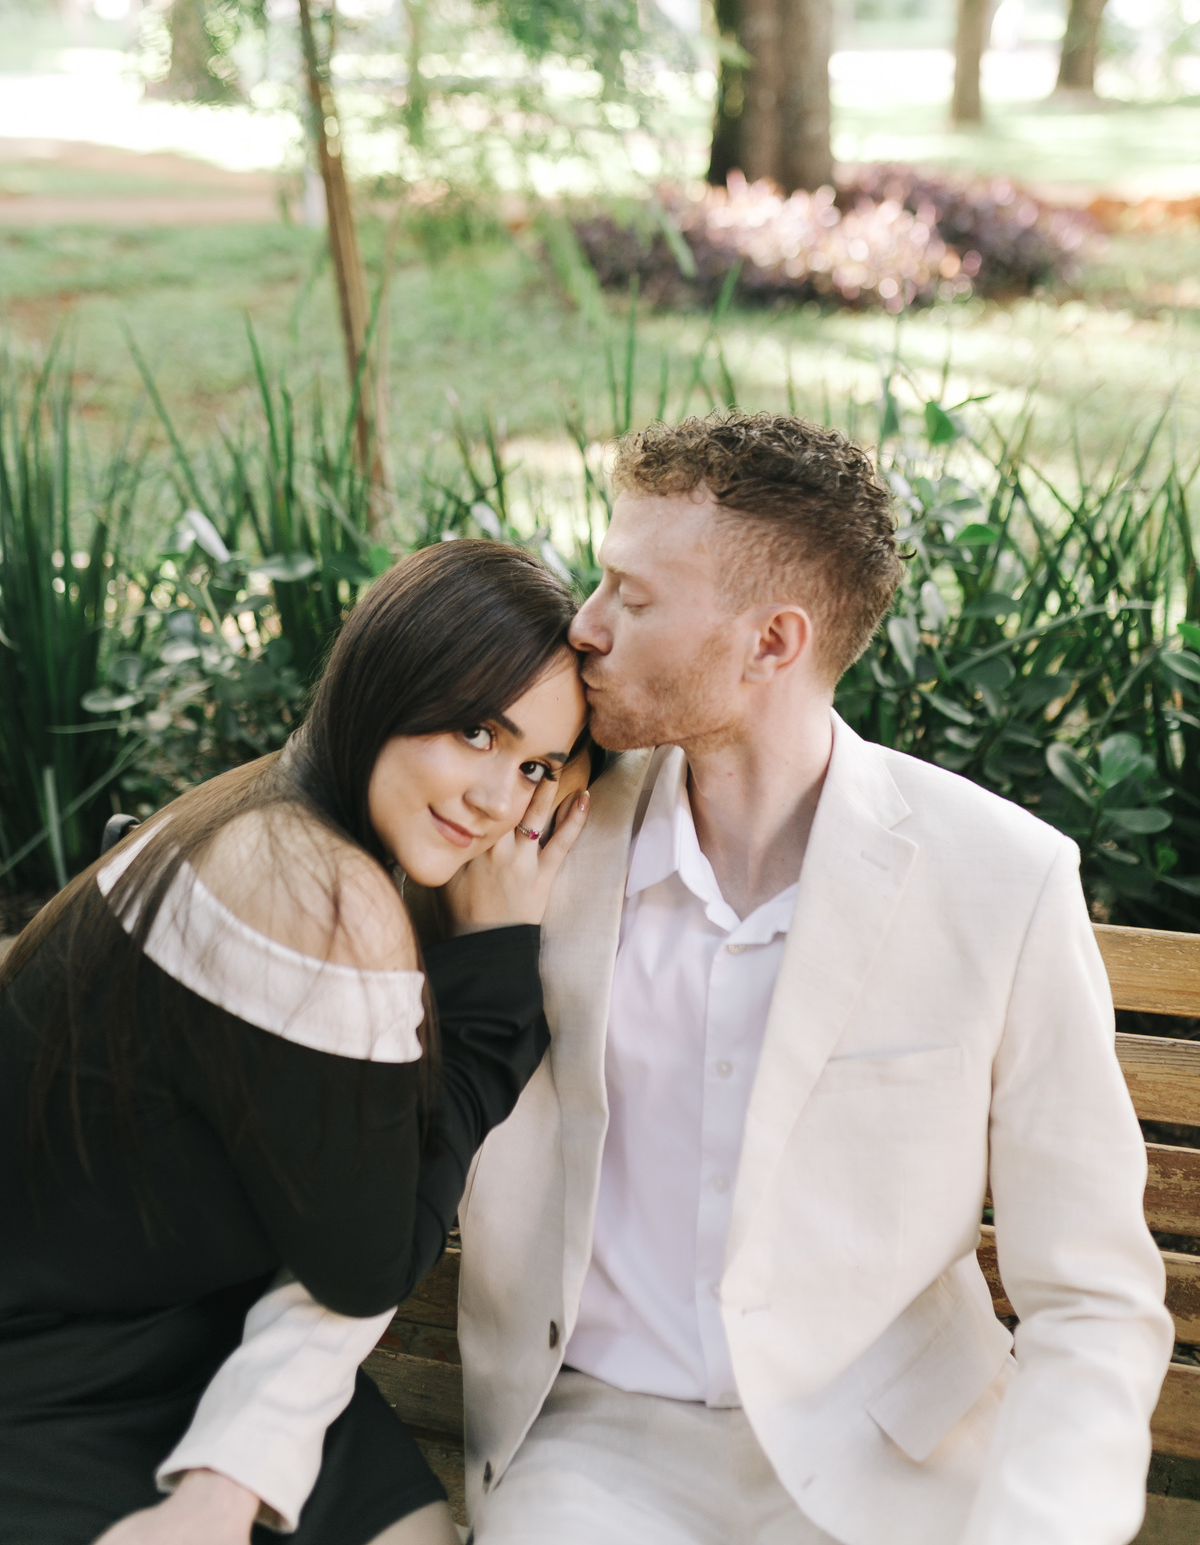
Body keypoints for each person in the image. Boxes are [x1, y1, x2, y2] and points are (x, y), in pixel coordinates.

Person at [139, 413, 1172, 1545]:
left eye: (630, 597)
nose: (583, 625)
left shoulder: (1002, 878)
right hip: (593, 1457)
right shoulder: (520, 842)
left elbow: (1093, 1300)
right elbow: (389, 1183)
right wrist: (228, 1476)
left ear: (772, 642)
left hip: (899, 1463)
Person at [0, 538, 592, 1545]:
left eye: (534, 767)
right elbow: (370, 1265)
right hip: (55, 1371)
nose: (499, 802)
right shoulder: (319, 893)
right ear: (388, 678)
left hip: (190, 1327)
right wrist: (492, 987)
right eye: (476, 731)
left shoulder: (269, 808)